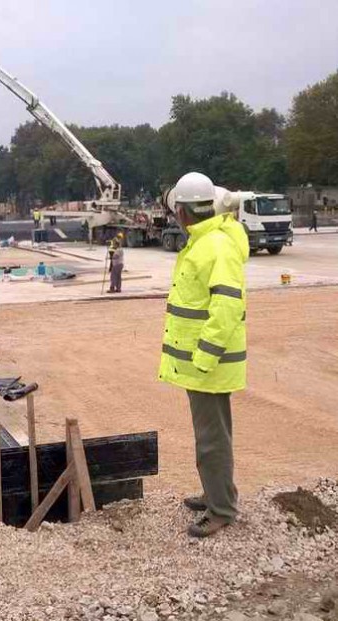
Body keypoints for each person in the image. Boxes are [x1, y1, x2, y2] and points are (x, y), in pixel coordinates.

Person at [159, 171, 249, 538]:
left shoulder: (215, 246)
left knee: (211, 439)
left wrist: (204, 358)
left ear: (182, 212)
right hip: (204, 363)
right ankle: (217, 493)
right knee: (214, 435)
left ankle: (221, 510)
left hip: (208, 364)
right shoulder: (207, 240)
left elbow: (226, 308)